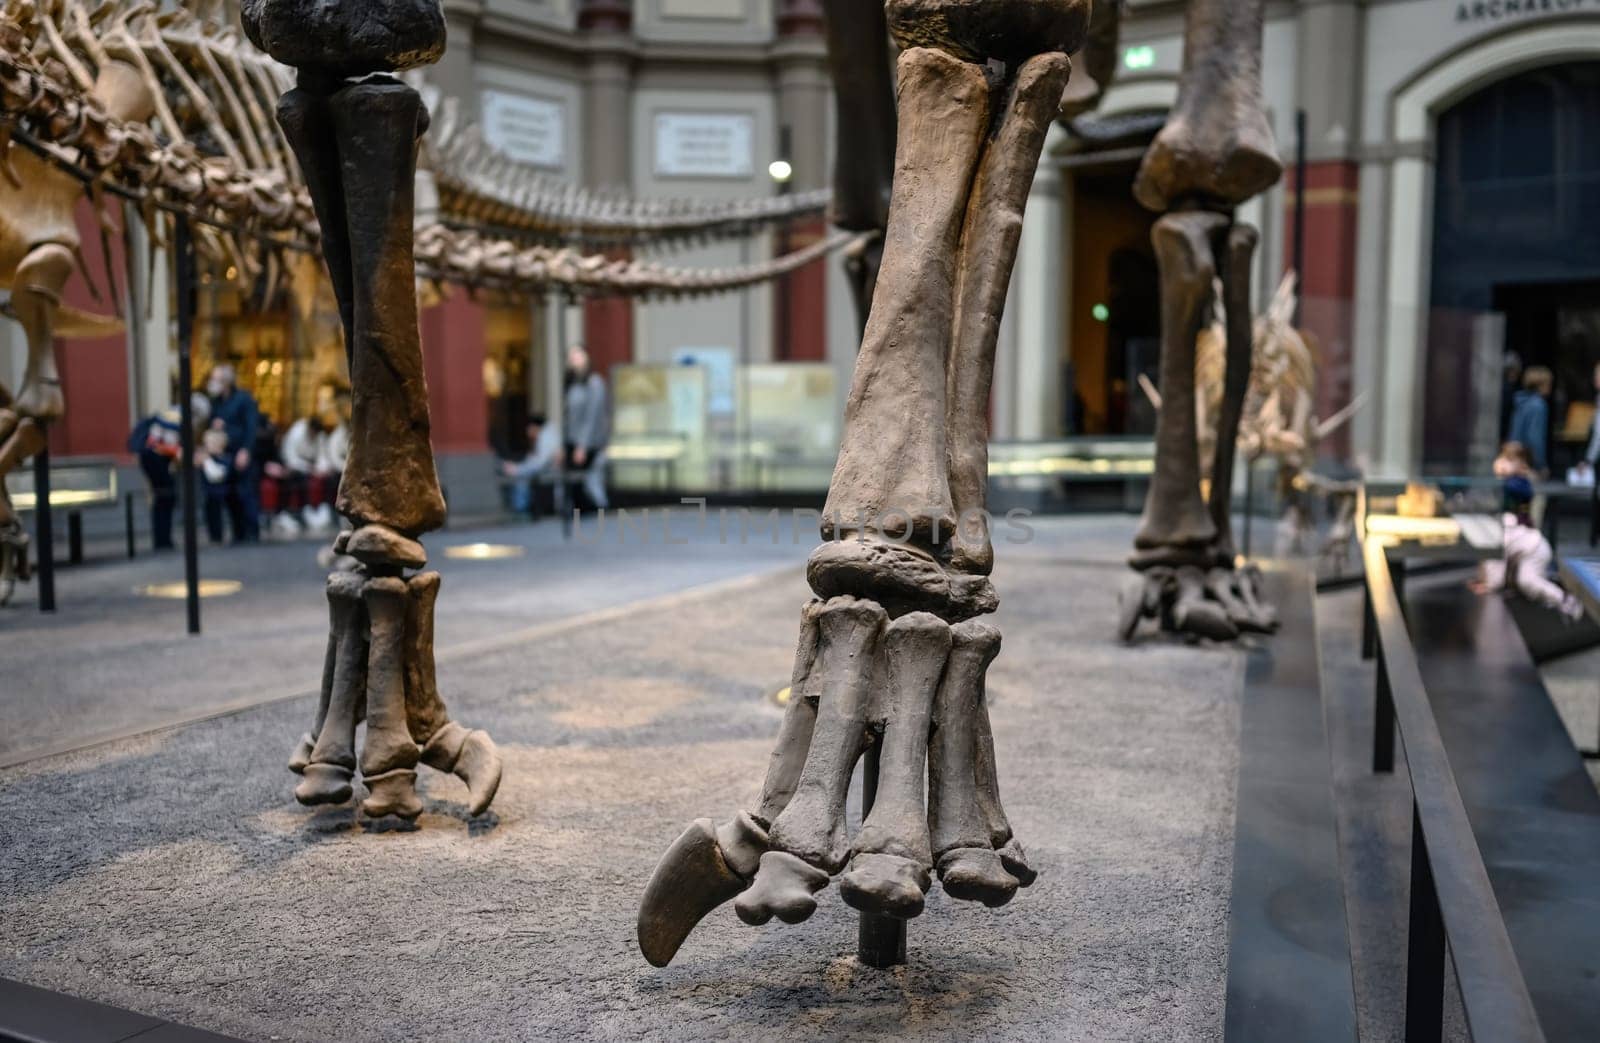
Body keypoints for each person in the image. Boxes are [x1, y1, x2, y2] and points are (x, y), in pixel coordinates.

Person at [1472, 475, 1582, 621]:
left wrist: (1489, 585)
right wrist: (1483, 580)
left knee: (1527, 581)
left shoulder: (1501, 524)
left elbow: (1495, 560)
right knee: (1522, 581)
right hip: (1530, 549)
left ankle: (1567, 601)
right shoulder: (1503, 520)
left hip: (1536, 551)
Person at [126, 394, 208, 551]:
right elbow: (165, 445)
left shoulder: (173, 413)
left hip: (151, 459)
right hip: (155, 460)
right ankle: (163, 541)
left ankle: (162, 539)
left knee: (163, 498)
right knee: (165, 497)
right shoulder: (179, 418)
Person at [204, 364, 262, 542]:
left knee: (245, 493)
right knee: (230, 495)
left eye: (217, 379)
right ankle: (238, 532)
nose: (213, 383)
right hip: (224, 454)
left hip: (240, 451)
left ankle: (252, 532)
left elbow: (251, 427)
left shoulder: (243, 399)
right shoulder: (216, 403)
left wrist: (246, 450)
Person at [562, 346, 610, 511]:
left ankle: (599, 510)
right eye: (571, 356)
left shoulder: (594, 383)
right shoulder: (573, 383)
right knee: (574, 483)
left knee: (588, 481)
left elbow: (592, 416)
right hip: (572, 440)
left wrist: (583, 445)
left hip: (588, 443)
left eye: (577, 355)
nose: (574, 359)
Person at [500, 413, 562, 518]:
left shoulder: (546, 437)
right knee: (519, 474)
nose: (527, 432)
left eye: (528, 428)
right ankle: (520, 507)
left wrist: (518, 469)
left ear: (533, 427)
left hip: (549, 472)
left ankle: (520, 509)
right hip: (548, 470)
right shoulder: (547, 435)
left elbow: (539, 463)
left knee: (520, 477)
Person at [1508, 365, 1553, 475]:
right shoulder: (1538, 405)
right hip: (1527, 463)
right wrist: (1540, 464)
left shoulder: (1521, 402)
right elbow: (1535, 436)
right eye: (1549, 383)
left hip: (1514, 457)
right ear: (1541, 385)